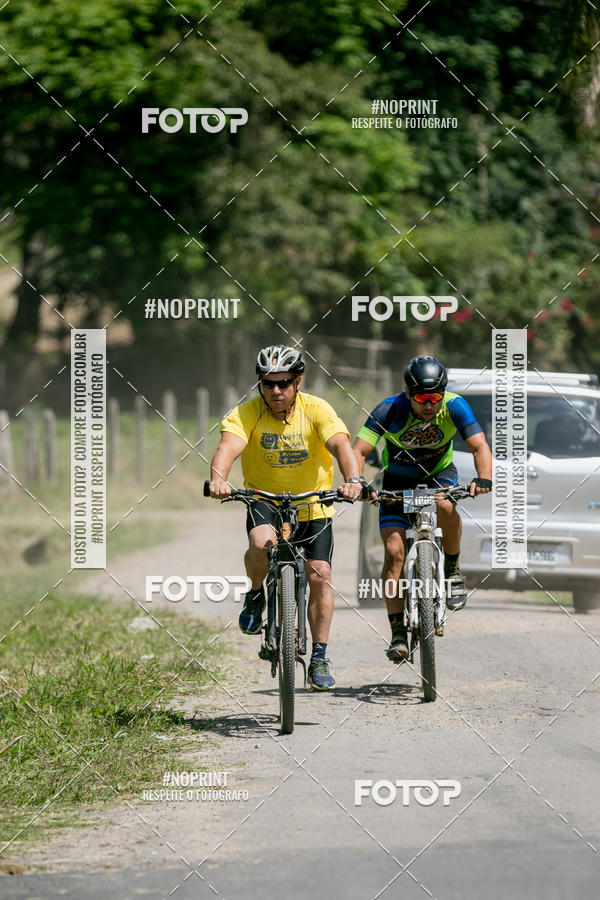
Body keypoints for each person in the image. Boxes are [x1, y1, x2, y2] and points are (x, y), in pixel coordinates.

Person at [208, 344, 362, 690]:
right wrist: (219, 479)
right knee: (260, 542)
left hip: (313, 504)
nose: (276, 391)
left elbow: (340, 445)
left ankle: (319, 658)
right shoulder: (247, 412)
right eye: (268, 384)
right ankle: (256, 594)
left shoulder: (317, 409)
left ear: (297, 382)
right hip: (264, 499)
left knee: (320, 575)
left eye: (284, 383)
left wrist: (352, 479)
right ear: (260, 384)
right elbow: (228, 448)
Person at [352, 355, 492, 663]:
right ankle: (397, 633)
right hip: (396, 480)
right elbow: (359, 450)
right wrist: (357, 481)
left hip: (439, 473)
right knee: (394, 553)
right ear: (407, 393)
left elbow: (479, 445)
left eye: (435, 397)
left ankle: (452, 570)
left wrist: (484, 477)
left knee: (445, 504)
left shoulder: (455, 406)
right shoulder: (390, 409)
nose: (430, 405)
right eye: (422, 398)